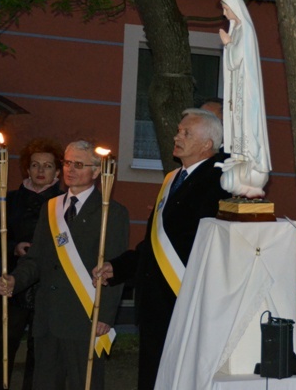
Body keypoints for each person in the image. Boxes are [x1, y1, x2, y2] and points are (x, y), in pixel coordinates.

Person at [93, 108, 231, 390]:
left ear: (207, 145)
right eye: (179, 130)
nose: (176, 136)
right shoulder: (173, 179)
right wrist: (119, 267)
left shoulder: (220, 180)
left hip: (184, 297)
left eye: (186, 133)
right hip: (157, 300)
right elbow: (156, 243)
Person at [0, 140, 129, 390]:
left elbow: (115, 266)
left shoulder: (112, 212)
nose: (70, 169)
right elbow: (36, 259)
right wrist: (15, 279)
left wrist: (106, 315)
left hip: (86, 315)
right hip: (48, 316)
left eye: (79, 164)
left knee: (85, 383)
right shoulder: (52, 207)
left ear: (96, 171)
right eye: (67, 163)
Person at [0, 138, 64, 389]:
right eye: (35, 165)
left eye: (48, 166)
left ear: (58, 171)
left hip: (48, 285)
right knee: (3, 343)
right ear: (27, 169)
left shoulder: (64, 203)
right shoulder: (8, 199)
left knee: (39, 348)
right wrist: (14, 247)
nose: (41, 171)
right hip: (12, 283)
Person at [215, 0, 272, 198]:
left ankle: (249, 157)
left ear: (235, 9)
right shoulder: (236, 29)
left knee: (246, 124)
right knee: (237, 123)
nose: (224, 13)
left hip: (246, 92)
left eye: (225, 9)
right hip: (238, 89)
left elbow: (237, 58)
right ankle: (239, 156)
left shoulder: (244, 30)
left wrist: (228, 44)